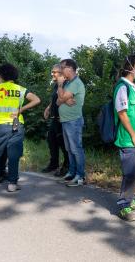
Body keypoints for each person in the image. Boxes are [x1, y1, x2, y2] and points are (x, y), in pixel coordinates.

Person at [0, 63, 40, 192]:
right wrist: (21, 110)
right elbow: (36, 100)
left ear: (1, 75)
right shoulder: (21, 89)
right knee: (14, 156)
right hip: (16, 125)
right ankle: (12, 184)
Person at [113, 55, 135, 222]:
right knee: (129, 172)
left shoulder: (133, 87)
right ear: (130, 68)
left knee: (134, 171)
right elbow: (122, 113)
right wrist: (133, 134)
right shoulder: (122, 87)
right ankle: (123, 205)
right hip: (128, 138)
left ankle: (129, 198)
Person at [56, 59, 86, 187]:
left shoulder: (75, 83)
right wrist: (64, 99)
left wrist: (60, 86)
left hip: (73, 120)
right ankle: (72, 173)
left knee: (76, 148)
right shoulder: (68, 83)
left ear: (70, 68)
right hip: (66, 120)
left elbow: (61, 97)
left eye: (62, 68)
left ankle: (80, 176)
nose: (61, 71)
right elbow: (57, 102)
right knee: (69, 149)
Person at [42, 64, 70, 177]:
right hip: (54, 118)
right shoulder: (56, 85)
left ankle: (66, 166)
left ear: (62, 73)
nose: (52, 74)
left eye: (54, 72)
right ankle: (53, 164)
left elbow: (63, 99)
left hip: (61, 119)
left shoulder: (67, 84)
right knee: (51, 141)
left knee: (63, 144)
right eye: (52, 72)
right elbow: (55, 98)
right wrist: (48, 108)